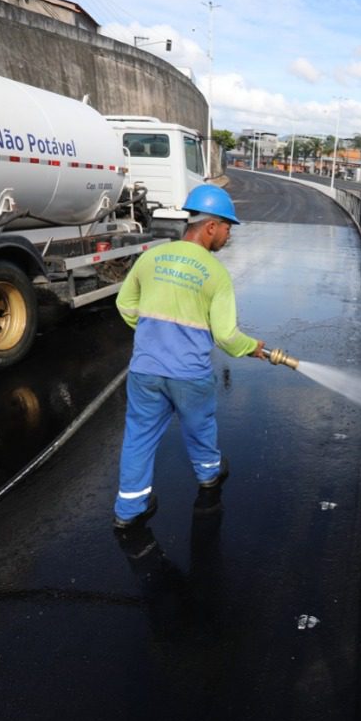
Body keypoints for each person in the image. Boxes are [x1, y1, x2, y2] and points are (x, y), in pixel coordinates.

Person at [112, 184, 264, 529]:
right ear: (211, 226)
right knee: (199, 427)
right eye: (227, 228)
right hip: (188, 375)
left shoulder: (150, 257)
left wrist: (152, 333)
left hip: (145, 370)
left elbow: (124, 304)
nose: (228, 236)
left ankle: (128, 510)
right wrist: (252, 347)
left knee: (139, 435)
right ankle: (209, 475)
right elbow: (226, 336)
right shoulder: (216, 273)